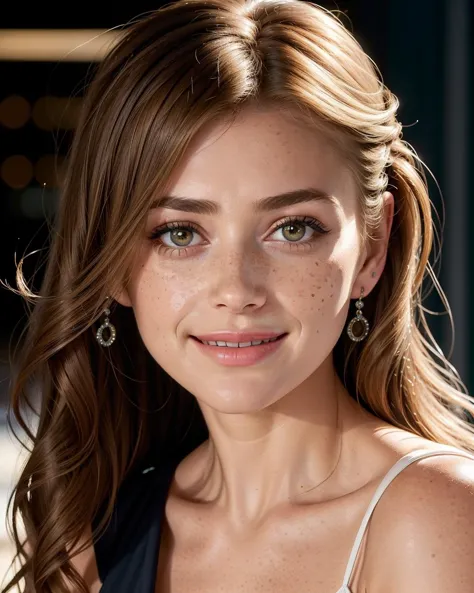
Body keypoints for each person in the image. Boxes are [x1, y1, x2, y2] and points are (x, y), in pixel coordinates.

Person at [3, 0, 474, 592]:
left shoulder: (439, 521)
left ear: (372, 246)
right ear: (113, 263)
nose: (236, 290)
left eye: (293, 228)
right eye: (180, 234)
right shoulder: (92, 539)